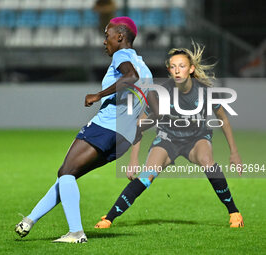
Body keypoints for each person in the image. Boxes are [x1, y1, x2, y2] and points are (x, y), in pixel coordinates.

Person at [15, 17, 156, 243]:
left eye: (107, 35)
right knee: (68, 175)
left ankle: (76, 232)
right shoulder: (146, 68)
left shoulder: (122, 56)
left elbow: (130, 77)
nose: (104, 41)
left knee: (66, 172)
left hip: (106, 126)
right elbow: (146, 108)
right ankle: (30, 220)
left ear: (120, 36)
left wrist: (98, 95)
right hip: (123, 138)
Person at [94, 42, 244, 229]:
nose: (177, 71)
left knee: (207, 161)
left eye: (182, 66)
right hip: (168, 139)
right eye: (173, 67)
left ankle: (234, 213)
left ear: (191, 69)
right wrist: (133, 159)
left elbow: (224, 120)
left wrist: (234, 152)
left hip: (196, 139)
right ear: (169, 70)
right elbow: (139, 126)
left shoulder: (205, 91)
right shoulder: (161, 93)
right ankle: (109, 218)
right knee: (147, 175)